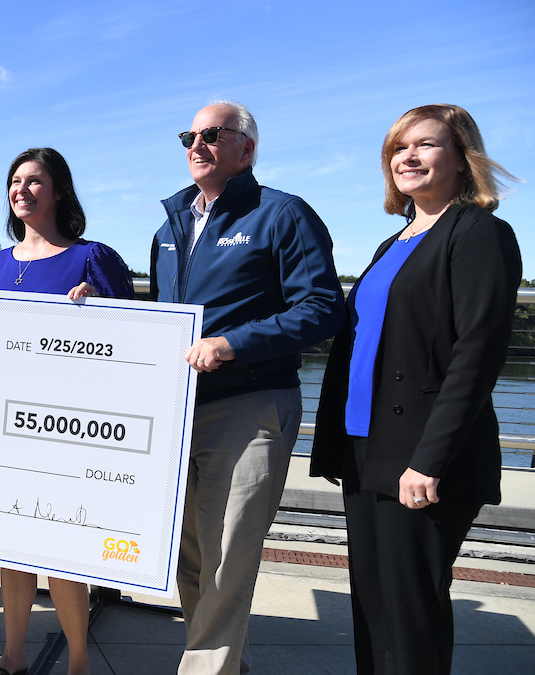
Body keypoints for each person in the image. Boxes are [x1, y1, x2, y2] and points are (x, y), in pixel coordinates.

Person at [311, 105, 522, 674]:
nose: (408, 157)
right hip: (366, 449)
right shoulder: (392, 243)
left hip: (421, 457)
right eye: (398, 148)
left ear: (462, 158)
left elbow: (476, 356)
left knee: (410, 616)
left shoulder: (480, 233)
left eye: (425, 144)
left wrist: (429, 460)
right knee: (372, 609)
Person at [149, 102, 345, 675]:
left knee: (226, 559)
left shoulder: (282, 214)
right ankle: (224, 665)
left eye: (212, 134)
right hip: (182, 410)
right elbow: (162, 317)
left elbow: (323, 307)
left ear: (247, 148)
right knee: (189, 559)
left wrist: (233, 343)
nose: (197, 144)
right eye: (189, 136)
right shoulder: (170, 227)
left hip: (250, 404)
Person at [0, 147, 135, 675]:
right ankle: (13, 655)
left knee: (63, 548)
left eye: (34, 181)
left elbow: (135, 340)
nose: (21, 189)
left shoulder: (92, 258)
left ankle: (79, 663)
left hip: (66, 428)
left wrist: (100, 311)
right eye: (15, 181)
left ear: (60, 190)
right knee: (11, 547)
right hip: (5, 424)